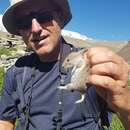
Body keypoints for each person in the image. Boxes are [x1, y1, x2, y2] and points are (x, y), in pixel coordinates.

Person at [0, 0, 130, 130]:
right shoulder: (16, 72)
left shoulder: (91, 64)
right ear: (20, 31)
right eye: (24, 22)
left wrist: (123, 99)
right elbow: (5, 122)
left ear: (60, 18)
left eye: (44, 16)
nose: (35, 28)